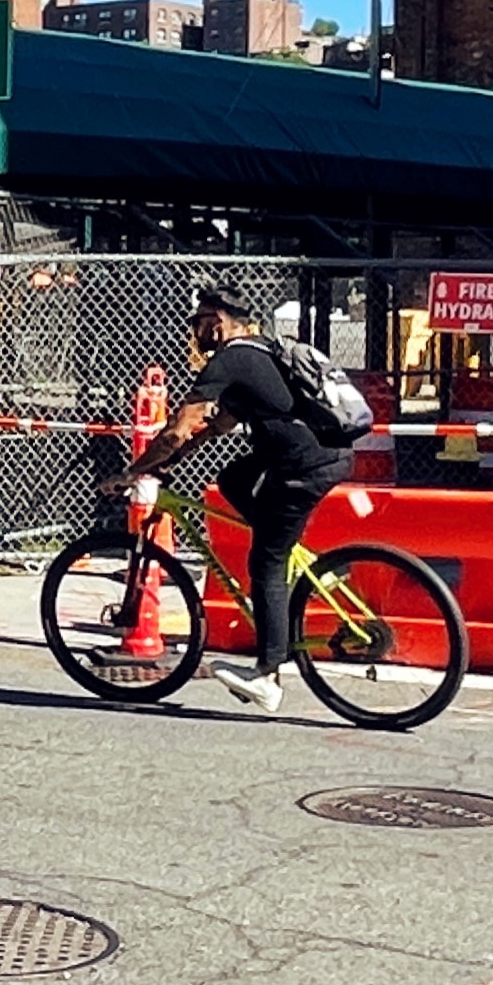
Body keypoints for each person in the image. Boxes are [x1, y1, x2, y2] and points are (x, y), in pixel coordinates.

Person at [106, 285, 356, 713]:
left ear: (217, 323)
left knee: (265, 562)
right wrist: (172, 461)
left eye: (198, 322)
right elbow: (212, 429)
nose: (194, 332)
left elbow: (178, 427)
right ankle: (297, 554)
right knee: (235, 477)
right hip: (321, 455)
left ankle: (267, 675)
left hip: (303, 466)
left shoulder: (230, 360)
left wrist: (135, 471)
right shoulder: (260, 353)